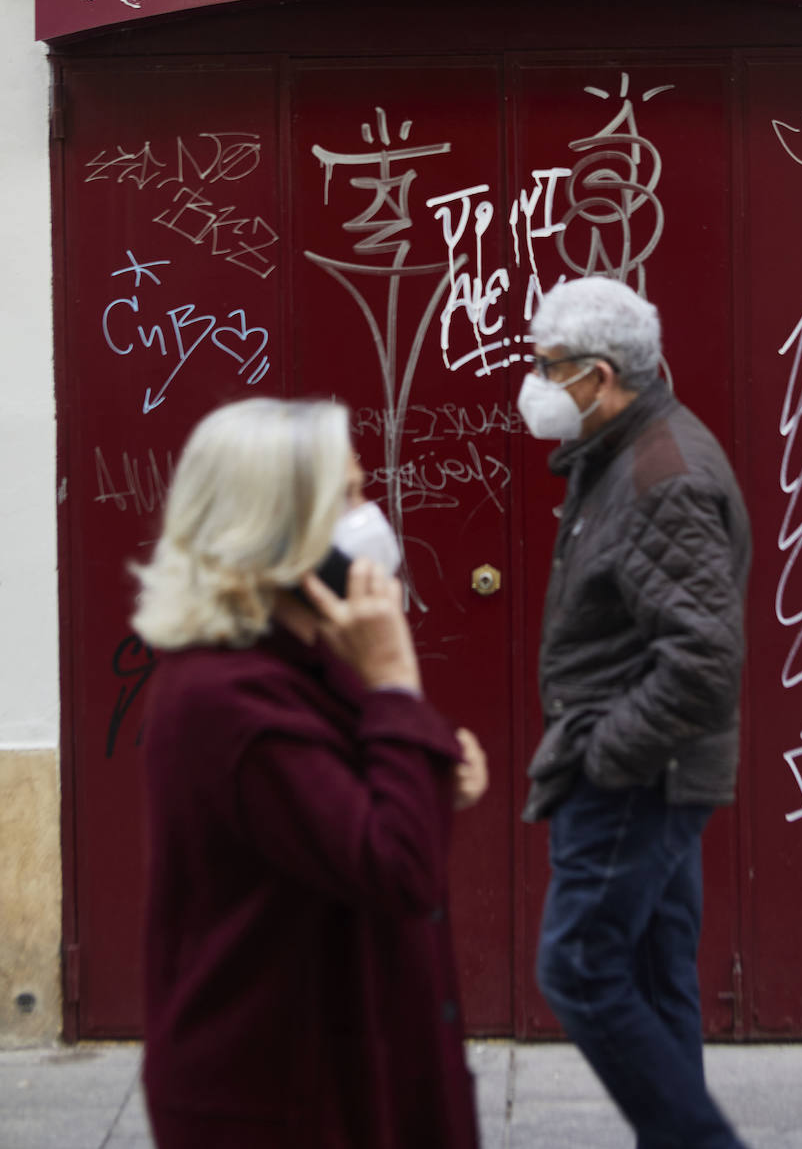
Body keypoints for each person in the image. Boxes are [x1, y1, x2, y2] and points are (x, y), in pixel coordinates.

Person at [131, 396, 488, 1149]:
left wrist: (430, 760)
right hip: (279, 1102)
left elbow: (363, 784)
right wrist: (396, 681)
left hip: (356, 1069)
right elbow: (395, 864)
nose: (372, 516)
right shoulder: (226, 697)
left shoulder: (311, 649)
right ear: (273, 523)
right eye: (349, 496)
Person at [519, 277, 752, 1149]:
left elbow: (703, 658)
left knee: (578, 966)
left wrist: (607, 756)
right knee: (654, 973)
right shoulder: (623, 450)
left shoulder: (661, 476)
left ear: (601, 374)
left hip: (635, 772)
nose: (536, 385)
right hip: (645, 764)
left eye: (549, 369)